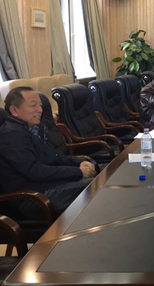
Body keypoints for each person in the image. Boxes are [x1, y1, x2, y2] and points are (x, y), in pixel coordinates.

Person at [0, 87, 96, 220]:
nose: (40, 110)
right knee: (99, 186)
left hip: (49, 185)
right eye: (33, 105)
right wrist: (78, 172)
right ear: (14, 110)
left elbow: (54, 156)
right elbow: (34, 171)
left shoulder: (32, 129)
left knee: (104, 176)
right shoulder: (11, 134)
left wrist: (80, 162)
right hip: (34, 197)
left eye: (40, 105)